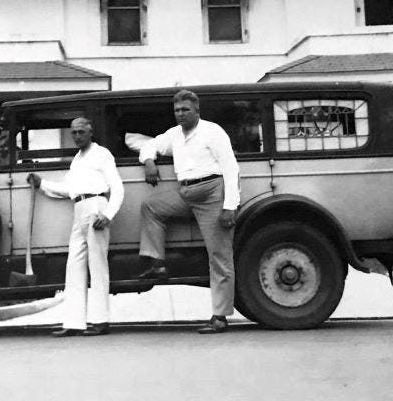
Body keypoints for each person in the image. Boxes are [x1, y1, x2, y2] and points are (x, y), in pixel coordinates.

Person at [136, 89, 240, 334]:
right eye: (177, 111)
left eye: (185, 110)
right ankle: (157, 263)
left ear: (197, 111)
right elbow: (149, 144)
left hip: (213, 192)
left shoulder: (212, 131)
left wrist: (229, 206)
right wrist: (149, 161)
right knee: (151, 206)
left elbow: (230, 167)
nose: (180, 114)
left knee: (219, 256)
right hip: (186, 192)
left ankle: (220, 317)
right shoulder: (174, 134)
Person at [27, 117, 124, 337]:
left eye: (81, 132)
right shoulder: (77, 160)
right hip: (79, 209)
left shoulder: (102, 154)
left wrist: (107, 215)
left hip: (96, 205)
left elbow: (118, 188)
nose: (77, 136)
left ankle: (100, 321)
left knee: (97, 265)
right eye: (74, 133)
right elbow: (67, 189)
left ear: (91, 132)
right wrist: (41, 184)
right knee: (74, 265)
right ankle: (74, 322)